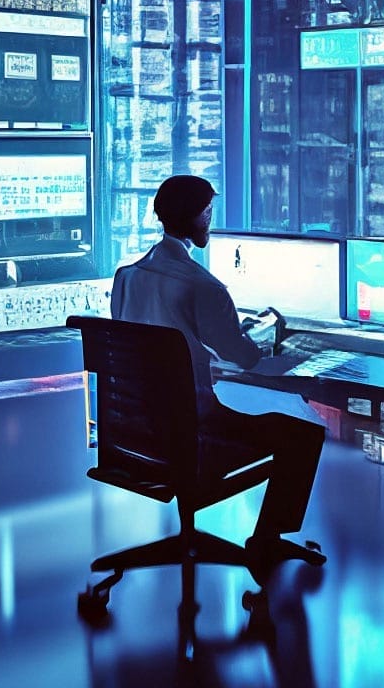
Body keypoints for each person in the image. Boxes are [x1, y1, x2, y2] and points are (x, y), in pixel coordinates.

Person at [111, 174, 325, 574]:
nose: (210, 220)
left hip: (134, 431)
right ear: (198, 216)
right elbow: (246, 360)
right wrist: (281, 352)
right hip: (194, 433)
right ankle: (267, 541)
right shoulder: (202, 286)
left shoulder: (126, 277)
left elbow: (145, 346)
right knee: (304, 434)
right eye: (208, 212)